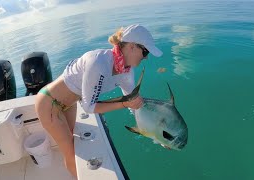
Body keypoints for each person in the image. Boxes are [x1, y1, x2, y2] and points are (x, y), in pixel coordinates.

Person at [35, 24, 163, 177]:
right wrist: (123, 103)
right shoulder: (99, 62)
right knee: (72, 155)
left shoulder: (126, 72)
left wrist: (156, 133)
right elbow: (90, 107)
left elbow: (133, 104)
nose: (146, 57)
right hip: (49, 103)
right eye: (145, 51)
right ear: (132, 47)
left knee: (74, 144)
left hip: (69, 104)